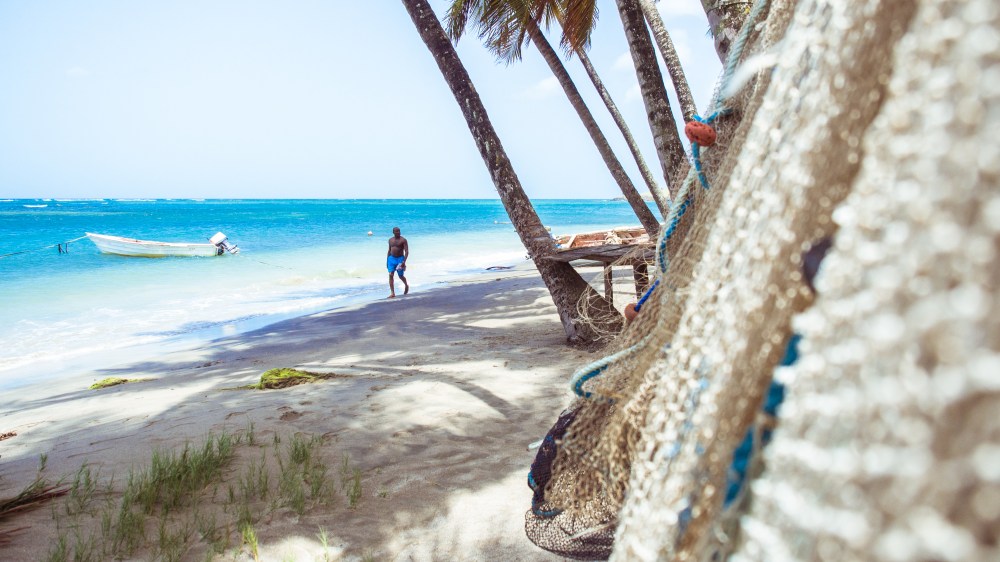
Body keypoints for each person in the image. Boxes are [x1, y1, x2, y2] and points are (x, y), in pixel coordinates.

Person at [386, 226, 409, 298]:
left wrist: (404, 262)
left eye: (399, 231)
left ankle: (406, 285)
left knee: (400, 276)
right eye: (396, 231)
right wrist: (387, 260)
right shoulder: (390, 240)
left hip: (400, 259)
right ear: (393, 232)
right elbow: (389, 250)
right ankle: (392, 293)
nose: (398, 232)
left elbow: (407, 251)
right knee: (390, 274)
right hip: (391, 259)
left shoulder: (403, 240)